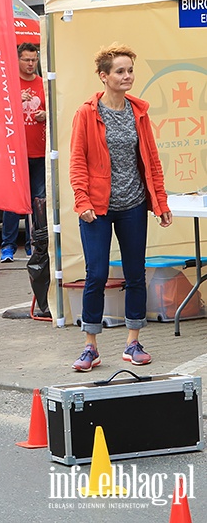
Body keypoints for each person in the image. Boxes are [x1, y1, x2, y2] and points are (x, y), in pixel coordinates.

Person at [69, 43, 172, 372]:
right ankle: (90, 347)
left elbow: (152, 161)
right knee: (96, 275)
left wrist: (160, 201)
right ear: (104, 76)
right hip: (96, 208)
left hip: (133, 206)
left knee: (135, 274)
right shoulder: (87, 113)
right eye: (120, 71)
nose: (127, 76)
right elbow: (77, 162)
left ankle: (133, 342)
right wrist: (82, 200)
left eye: (130, 70)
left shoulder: (138, 111)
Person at [1, 43, 48, 263]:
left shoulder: (43, 84)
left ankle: (34, 245)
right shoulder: (9, 84)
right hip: (15, 152)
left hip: (39, 151)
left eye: (34, 60)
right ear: (17, 60)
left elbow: (53, 111)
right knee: (14, 200)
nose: (30, 64)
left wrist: (44, 115)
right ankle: (8, 246)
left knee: (38, 201)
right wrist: (15, 102)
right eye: (26, 60)